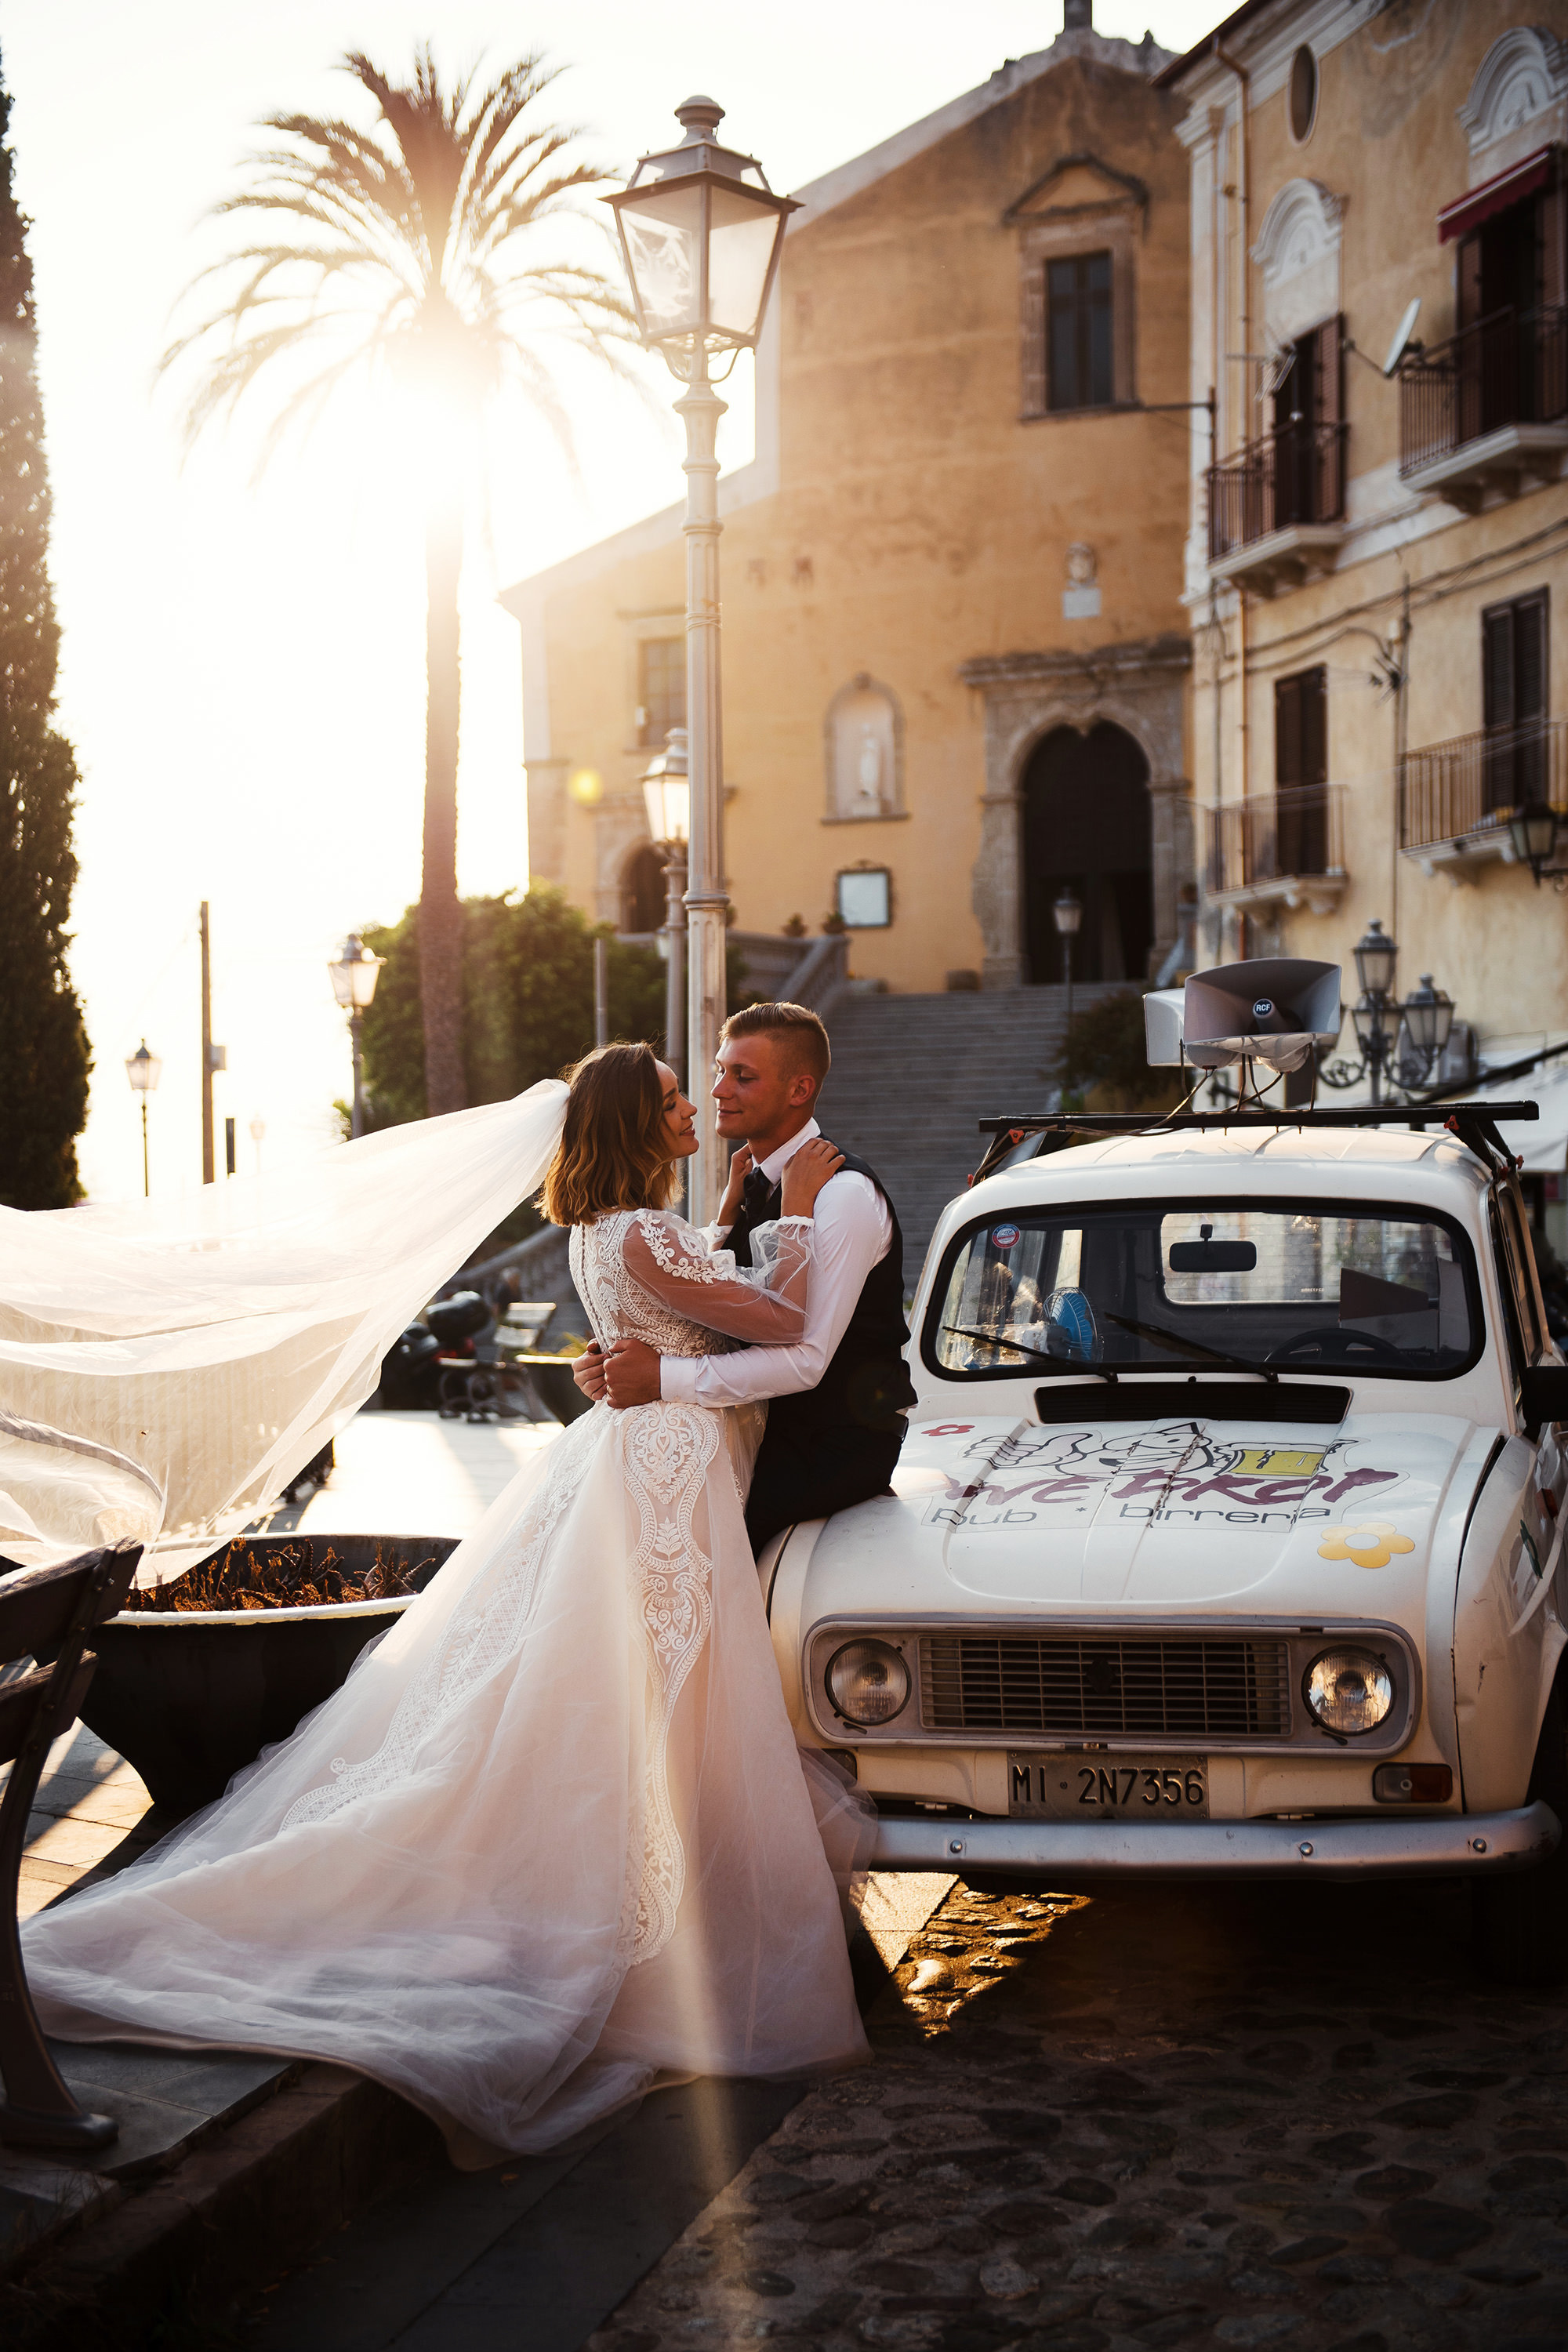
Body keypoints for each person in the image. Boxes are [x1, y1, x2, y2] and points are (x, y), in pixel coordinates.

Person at [22, 1045, 874, 2167]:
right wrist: (802, 1224)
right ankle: (648, 1930)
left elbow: (685, 1304)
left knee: (646, 1691)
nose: (688, 1109)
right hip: (667, 1477)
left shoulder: (607, 1232)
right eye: (670, 1097)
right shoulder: (638, 1233)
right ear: (632, 1122)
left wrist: (719, 1227)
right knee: (665, 1691)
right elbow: (777, 1326)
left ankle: (682, 1908)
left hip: (652, 1460)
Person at [575, 1002, 916, 1552]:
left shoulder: (842, 1194)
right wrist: (612, 1359)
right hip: (754, 1432)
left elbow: (806, 1358)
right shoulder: (749, 1182)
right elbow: (707, 1300)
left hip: (825, 1445)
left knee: (697, 1559)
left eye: (743, 1076)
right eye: (719, 1070)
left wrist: (659, 1377)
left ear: (798, 1090)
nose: (716, 1091)